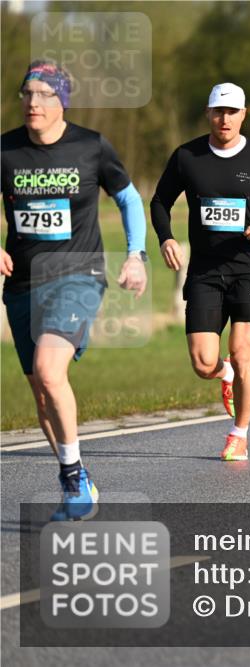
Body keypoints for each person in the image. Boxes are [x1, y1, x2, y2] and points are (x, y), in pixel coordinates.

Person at [1, 61, 148, 520]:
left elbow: (127, 197)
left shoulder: (91, 146)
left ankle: (70, 482)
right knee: (41, 392)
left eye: (44, 94)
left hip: (78, 275)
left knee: (48, 369)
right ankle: (77, 475)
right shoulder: (6, 150)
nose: (33, 103)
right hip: (22, 282)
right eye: (27, 93)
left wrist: (135, 254)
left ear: (61, 100)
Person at [151, 82, 250, 461]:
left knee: (242, 350)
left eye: (232, 112)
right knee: (203, 363)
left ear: (243, 115)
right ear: (208, 113)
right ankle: (225, 373)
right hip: (205, 271)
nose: (225, 118)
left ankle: (239, 433)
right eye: (219, 111)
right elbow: (159, 201)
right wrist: (166, 238)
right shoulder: (188, 157)